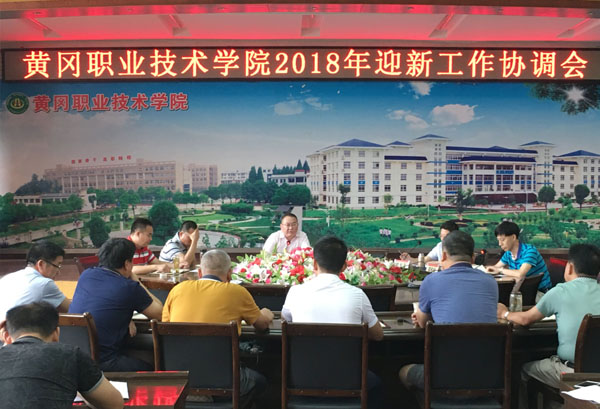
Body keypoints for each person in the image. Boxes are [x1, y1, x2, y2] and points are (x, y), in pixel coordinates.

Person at [281, 236, 384, 408]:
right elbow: (378, 335)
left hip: (301, 379)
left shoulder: (295, 293)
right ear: (344, 266)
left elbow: (286, 321)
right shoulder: (357, 295)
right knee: (378, 383)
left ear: (314, 264)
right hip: (349, 381)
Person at [162, 249, 273, 408]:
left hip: (179, 382)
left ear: (200, 272)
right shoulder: (237, 292)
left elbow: (165, 328)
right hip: (225, 382)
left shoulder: (177, 290)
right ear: (229, 274)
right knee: (260, 382)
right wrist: (266, 314)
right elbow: (262, 326)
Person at [497, 243, 600, 407]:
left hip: (572, 373)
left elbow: (525, 319)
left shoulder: (561, 291)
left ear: (569, 267)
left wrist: (505, 313)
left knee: (524, 370)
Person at [399, 230, 498, 390]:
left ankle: (431, 400)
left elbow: (423, 323)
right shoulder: (490, 282)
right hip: (488, 377)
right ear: (473, 258)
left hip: (443, 378)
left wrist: (422, 316)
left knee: (404, 372)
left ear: (443, 256)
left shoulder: (431, 280)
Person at [0, 302, 123, 409]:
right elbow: (114, 404)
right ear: (56, 333)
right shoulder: (71, 355)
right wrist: (81, 389)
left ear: (6, 337)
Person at [69, 238, 163, 372]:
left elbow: (103, 303)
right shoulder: (129, 287)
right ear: (127, 264)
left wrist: (127, 318)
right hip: (103, 363)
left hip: (76, 357)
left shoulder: (86, 275)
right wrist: (136, 281)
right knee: (154, 365)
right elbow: (161, 314)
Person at [0, 241, 70, 321]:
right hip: (17, 328)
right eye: (58, 265)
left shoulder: (7, 278)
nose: (58, 272)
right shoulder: (45, 284)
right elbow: (73, 310)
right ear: (41, 264)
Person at [486, 221, 552, 294]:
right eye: (498, 240)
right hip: (521, 291)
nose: (500, 244)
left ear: (513, 237)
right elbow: (495, 268)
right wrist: (487, 269)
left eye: (502, 240)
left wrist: (500, 270)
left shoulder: (530, 251)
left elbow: (520, 274)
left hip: (540, 293)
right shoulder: (508, 253)